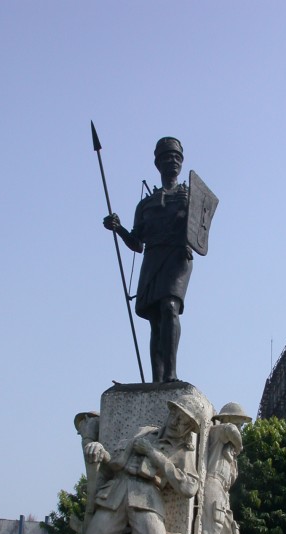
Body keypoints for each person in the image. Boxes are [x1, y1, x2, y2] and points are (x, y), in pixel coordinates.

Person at [103, 137, 192, 383]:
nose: (172, 162)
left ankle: (171, 374)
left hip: (177, 257)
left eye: (176, 157)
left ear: (182, 163)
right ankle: (157, 379)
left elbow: (199, 229)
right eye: (166, 158)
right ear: (158, 164)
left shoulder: (189, 197)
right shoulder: (146, 204)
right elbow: (136, 244)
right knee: (155, 320)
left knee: (169, 308)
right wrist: (118, 228)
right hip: (153, 258)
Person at [78, 395, 204, 534]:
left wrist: (153, 454)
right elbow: (116, 463)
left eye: (184, 422)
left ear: (189, 428)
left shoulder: (183, 451)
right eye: (175, 415)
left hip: (147, 498)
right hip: (116, 493)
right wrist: (99, 449)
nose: (176, 423)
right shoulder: (145, 432)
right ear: (170, 412)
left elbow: (189, 488)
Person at [201, 402, 252, 534]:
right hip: (214, 482)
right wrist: (239, 445)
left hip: (224, 490)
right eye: (240, 425)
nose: (240, 430)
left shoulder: (230, 449)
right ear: (229, 419)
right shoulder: (219, 430)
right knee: (212, 528)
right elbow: (231, 430)